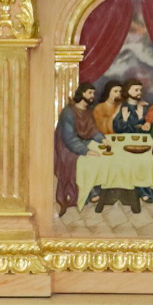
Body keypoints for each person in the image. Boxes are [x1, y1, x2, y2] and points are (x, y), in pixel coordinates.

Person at [55, 83, 102, 214]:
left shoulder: (87, 111)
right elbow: (69, 138)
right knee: (88, 160)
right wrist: (86, 151)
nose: (92, 96)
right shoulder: (68, 112)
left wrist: (102, 139)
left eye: (93, 93)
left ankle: (96, 186)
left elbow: (92, 130)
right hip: (67, 148)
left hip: (84, 142)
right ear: (82, 94)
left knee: (102, 153)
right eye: (90, 93)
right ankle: (89, 191)